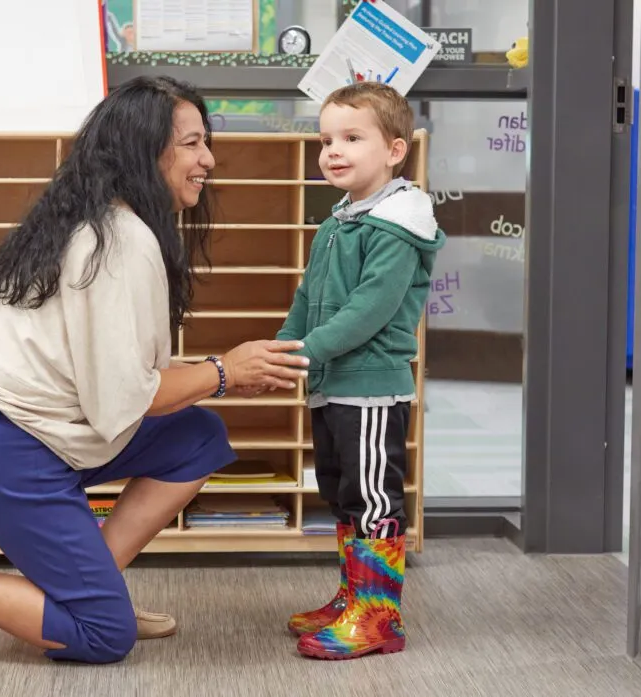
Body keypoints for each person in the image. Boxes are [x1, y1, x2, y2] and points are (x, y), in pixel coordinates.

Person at [0, 76, 310, 665]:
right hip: (3, 444)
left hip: (32, 432)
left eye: (205, 143)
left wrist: (216, 375)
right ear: (145, 151)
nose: (208, 160)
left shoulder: (108, 223)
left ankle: (90, 591)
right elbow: (125, 398)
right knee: (102, 637)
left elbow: (122, 378)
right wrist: (224, 371)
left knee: (196, 437)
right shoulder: (119, 241)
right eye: (193, 144)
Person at [277, 82, 446, 660]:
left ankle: (379, 618)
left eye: (352, 137)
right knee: (345, 494)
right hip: (333, 386)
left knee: (374, 499)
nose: (333, 151)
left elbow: (369, 311)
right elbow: (308, 298)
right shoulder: (338, 223)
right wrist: (284, 347)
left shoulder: (397, 226)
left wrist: (308, 352)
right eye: (326, 139)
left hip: (371, 388)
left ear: (395, 151)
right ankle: (354, 598)